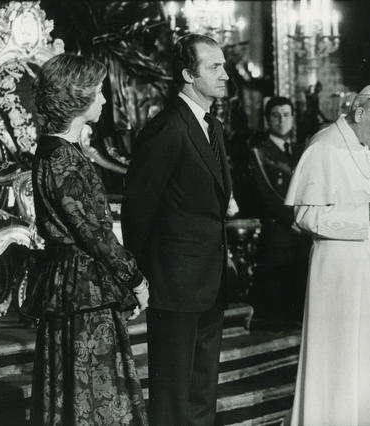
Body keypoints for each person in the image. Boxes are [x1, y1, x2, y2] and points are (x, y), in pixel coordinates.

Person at [24, 53, 148, 425]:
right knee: (94, 393)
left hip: (74, 283)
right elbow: (94, 234)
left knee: (78, 391)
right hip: (82, 289)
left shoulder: (59, 150)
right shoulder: (62, 157)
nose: (104, 99)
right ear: (77, 98)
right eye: (98, 91)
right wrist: (136, 280)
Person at [285, 83, 370, 425]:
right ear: (360, 113)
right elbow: (305, 216)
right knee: (340, 357)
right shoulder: (324, 147)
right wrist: (364, 214)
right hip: (339, 272)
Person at [122, 34, 232, 425]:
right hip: (174, 282)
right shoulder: (167, 128)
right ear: (188, 74)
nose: (225, 75)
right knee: (173, 394)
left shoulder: (210, 125)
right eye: (214, 67)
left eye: (223, 65)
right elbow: (138, 210)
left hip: (208, 279)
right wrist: (141, 275)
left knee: (202, 388)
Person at [247, 96, 311, 325]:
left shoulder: (301, 150)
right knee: (278, 303)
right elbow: (266, 192)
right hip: (279, 233)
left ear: (293, 118)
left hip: (303, 232)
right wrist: (291, 219)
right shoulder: (259, 152)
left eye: (286, 115)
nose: (281, 120)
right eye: (275, 115)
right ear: (267, 120)